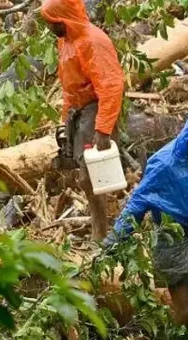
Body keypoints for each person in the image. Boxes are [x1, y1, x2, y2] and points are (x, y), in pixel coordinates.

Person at [104, 109, 188, 325]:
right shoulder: (165, 164)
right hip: (171, 239)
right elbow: (139, 201)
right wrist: (115, 238)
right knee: (184, 310)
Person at [41, 0, 124, 241]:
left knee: (91, 177)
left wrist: (103, 128)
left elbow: (110, 85)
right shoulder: (65, 40)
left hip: (95, 109)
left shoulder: (93, 41)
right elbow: (68, 85)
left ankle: (103, 235)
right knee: (85, 176)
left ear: (62, 19)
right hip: (79, 111)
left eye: (51, 23)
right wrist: (66, 118)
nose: (49, 28)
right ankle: (102, 229)